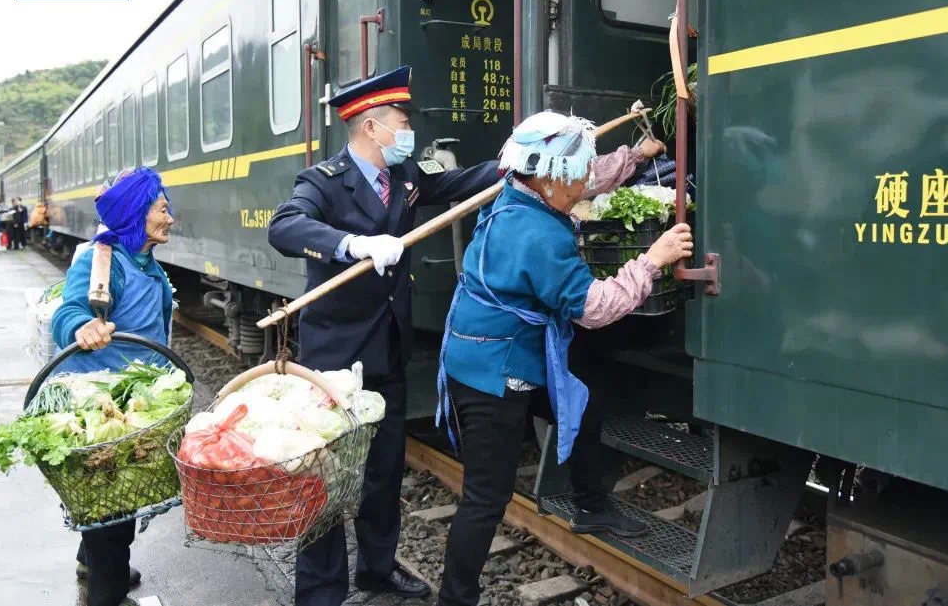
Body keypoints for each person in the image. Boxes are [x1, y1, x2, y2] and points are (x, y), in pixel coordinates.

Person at [432, 111, 694, 606]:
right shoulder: (540, 235)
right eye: (574, 180)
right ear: (550, 177)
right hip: (493, 374)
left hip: (499, 353)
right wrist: (653, 260)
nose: (582, 189)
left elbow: (588, 177)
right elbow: (595, 309)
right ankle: (455, 599)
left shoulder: (522, 186)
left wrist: (638, 156)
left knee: (583, 405)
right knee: (487, 499)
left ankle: (590, 505)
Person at [268, 65, 501, 606]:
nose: (407, 130)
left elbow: (455, 184)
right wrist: (353, 244)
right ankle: (322, 592)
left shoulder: (406, 179)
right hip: (334, 360)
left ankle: (376, 567)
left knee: (383, 470)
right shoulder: (322, 181)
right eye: (402, 120)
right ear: (372, 126)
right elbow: (285, 226)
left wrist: (508, 164)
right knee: (323, 478)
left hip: (387, 353)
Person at [49, 166, 176, 606]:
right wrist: (82, 325)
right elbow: (66, 313)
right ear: (136, 214)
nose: (170, 218)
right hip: (106, 405)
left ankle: (92, 558)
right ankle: (108, 592)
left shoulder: (143, 260)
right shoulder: (100, 260)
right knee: (113, 508)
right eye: (163, 209)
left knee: (106, 503)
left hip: (138, 397)